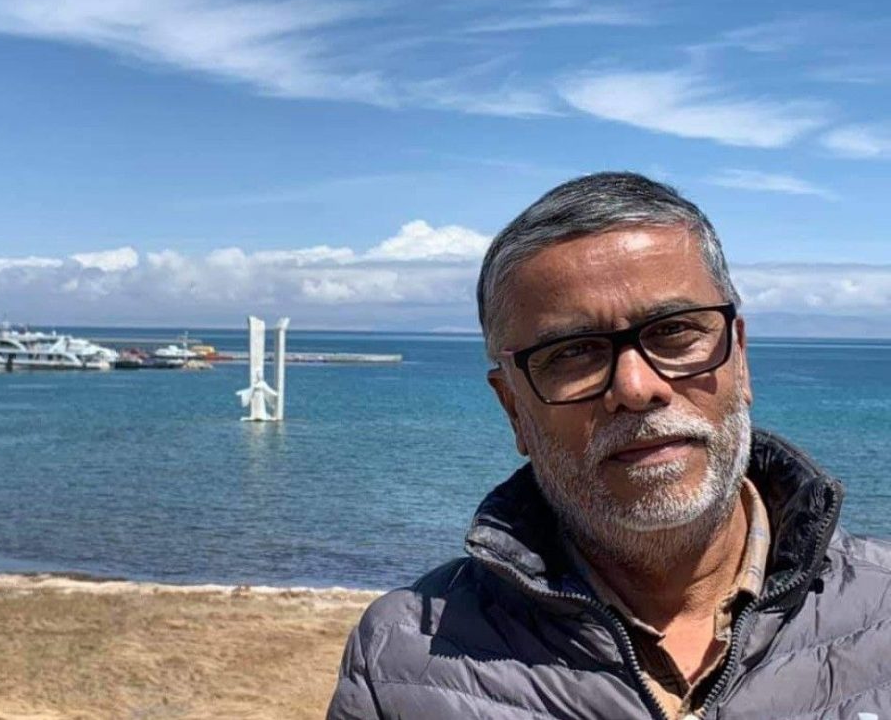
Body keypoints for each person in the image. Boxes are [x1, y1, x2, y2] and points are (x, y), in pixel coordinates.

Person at [327, 172, 891, 719]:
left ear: (739, 359)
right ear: (513, 408)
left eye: (674, 331)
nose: (637, 388)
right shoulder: (404, 663)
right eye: (573, 353)